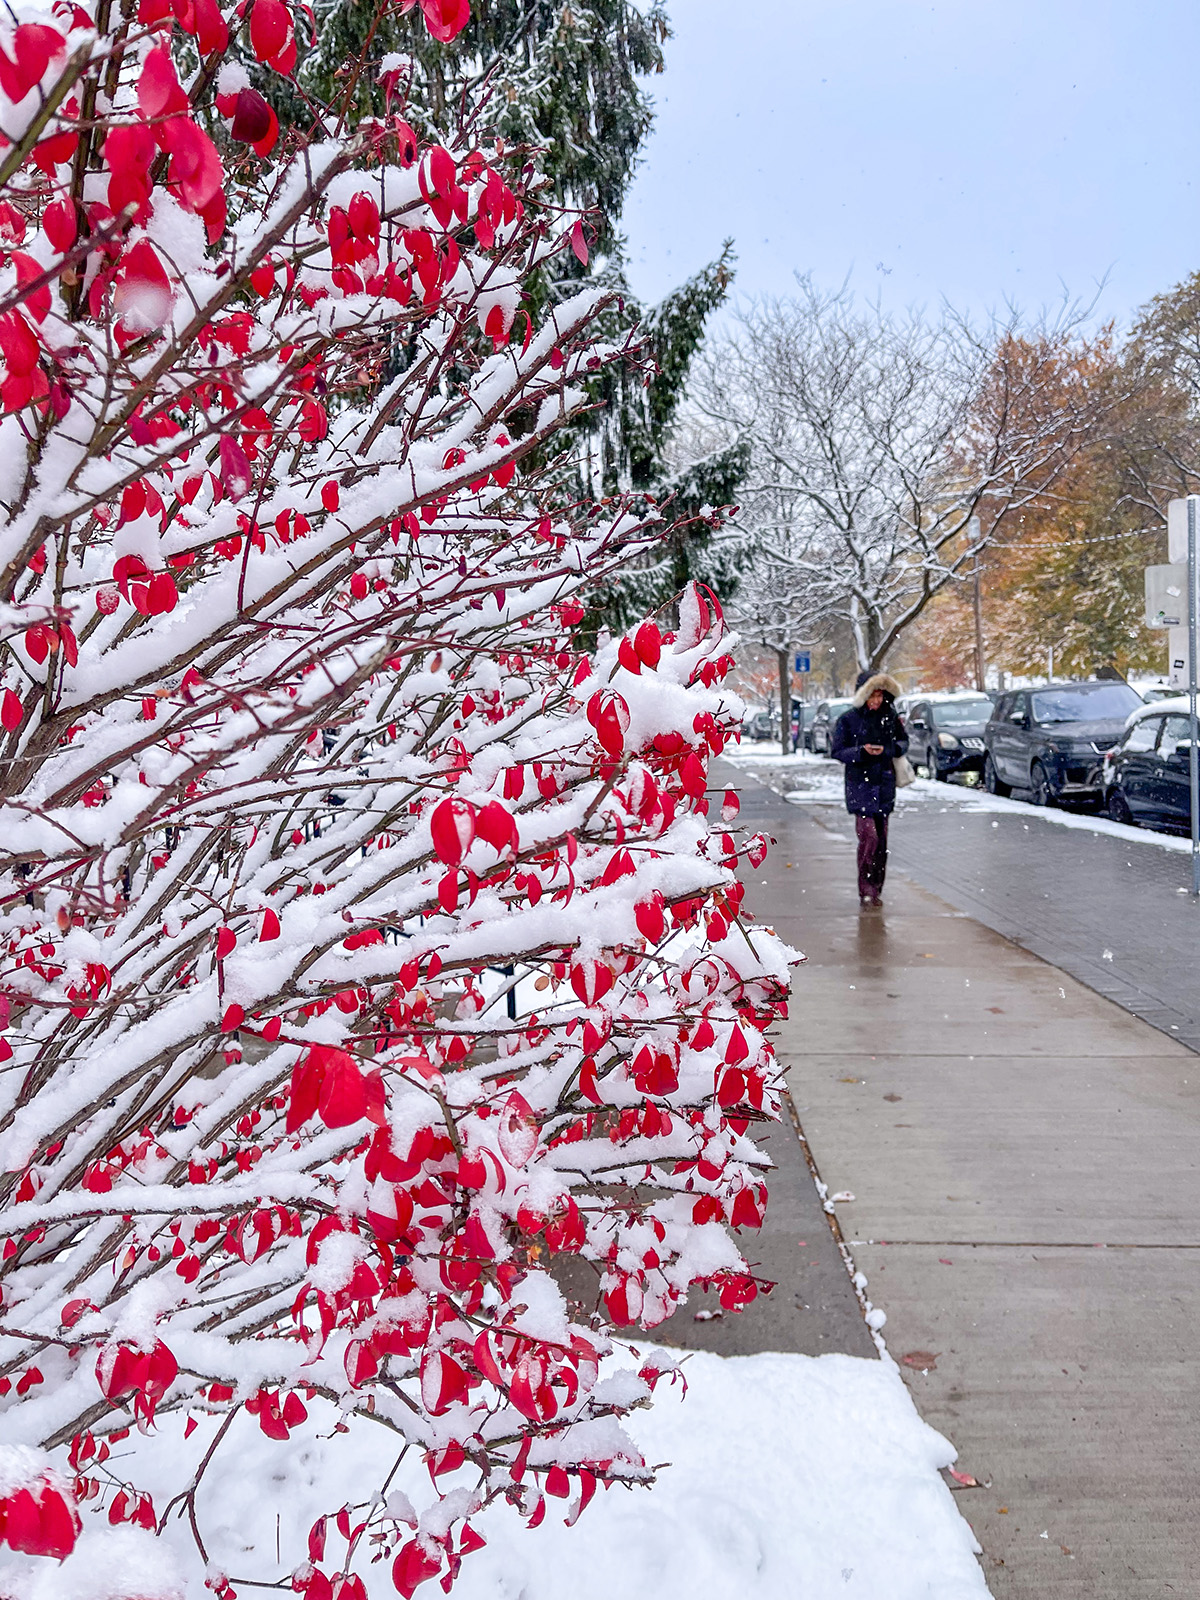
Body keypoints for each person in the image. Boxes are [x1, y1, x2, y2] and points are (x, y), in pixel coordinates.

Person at [830, 669, 907, 907]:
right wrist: (861, 752)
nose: (876, 701)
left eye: (880, 696)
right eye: (872, 696)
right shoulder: (848, 719)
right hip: (859, 785)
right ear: (863, 696)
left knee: (881, 842)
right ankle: (865, 887)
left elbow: (903, 743)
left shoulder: (890, 717)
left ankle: (877, 889)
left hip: (884, 785)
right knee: (869, 838)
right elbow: (837, 751)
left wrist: (888, 750)